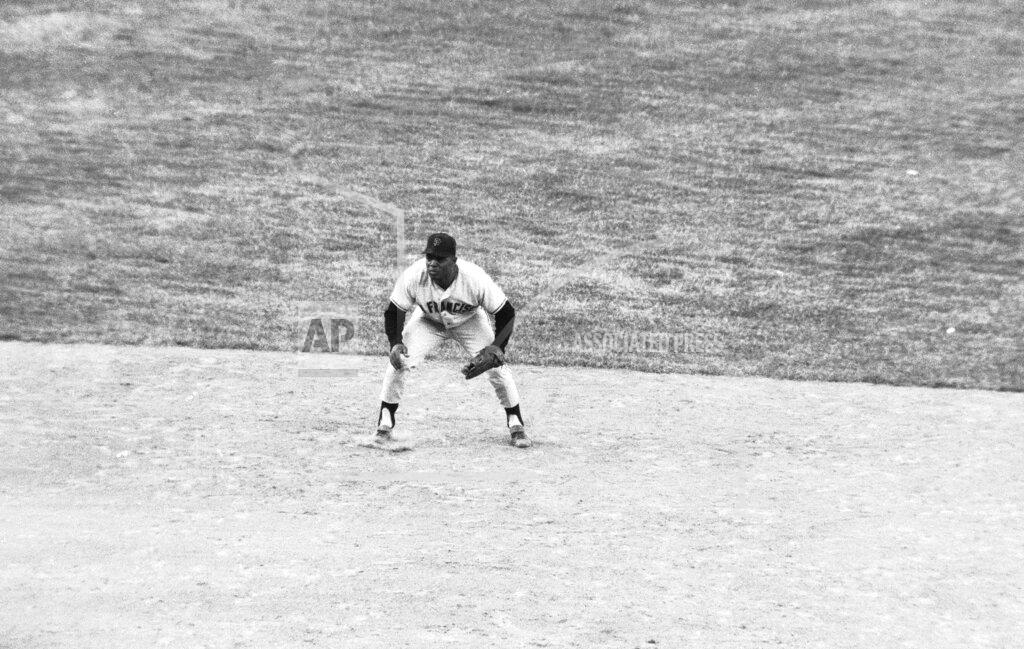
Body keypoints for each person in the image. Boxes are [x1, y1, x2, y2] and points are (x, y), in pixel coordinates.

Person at [373, 232, 531, 448]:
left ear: (453, 260)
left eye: (440, 259)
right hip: (428, 321)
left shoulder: (474, 278)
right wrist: (395, 343)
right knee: (399, 360)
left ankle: (515, 421)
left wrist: (497, 347)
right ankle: (385, 421)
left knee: (496, 365)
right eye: (429, 257)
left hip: (469, 321)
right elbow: (394, 310)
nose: (432, 263)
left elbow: (506, 312)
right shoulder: (414, 275)